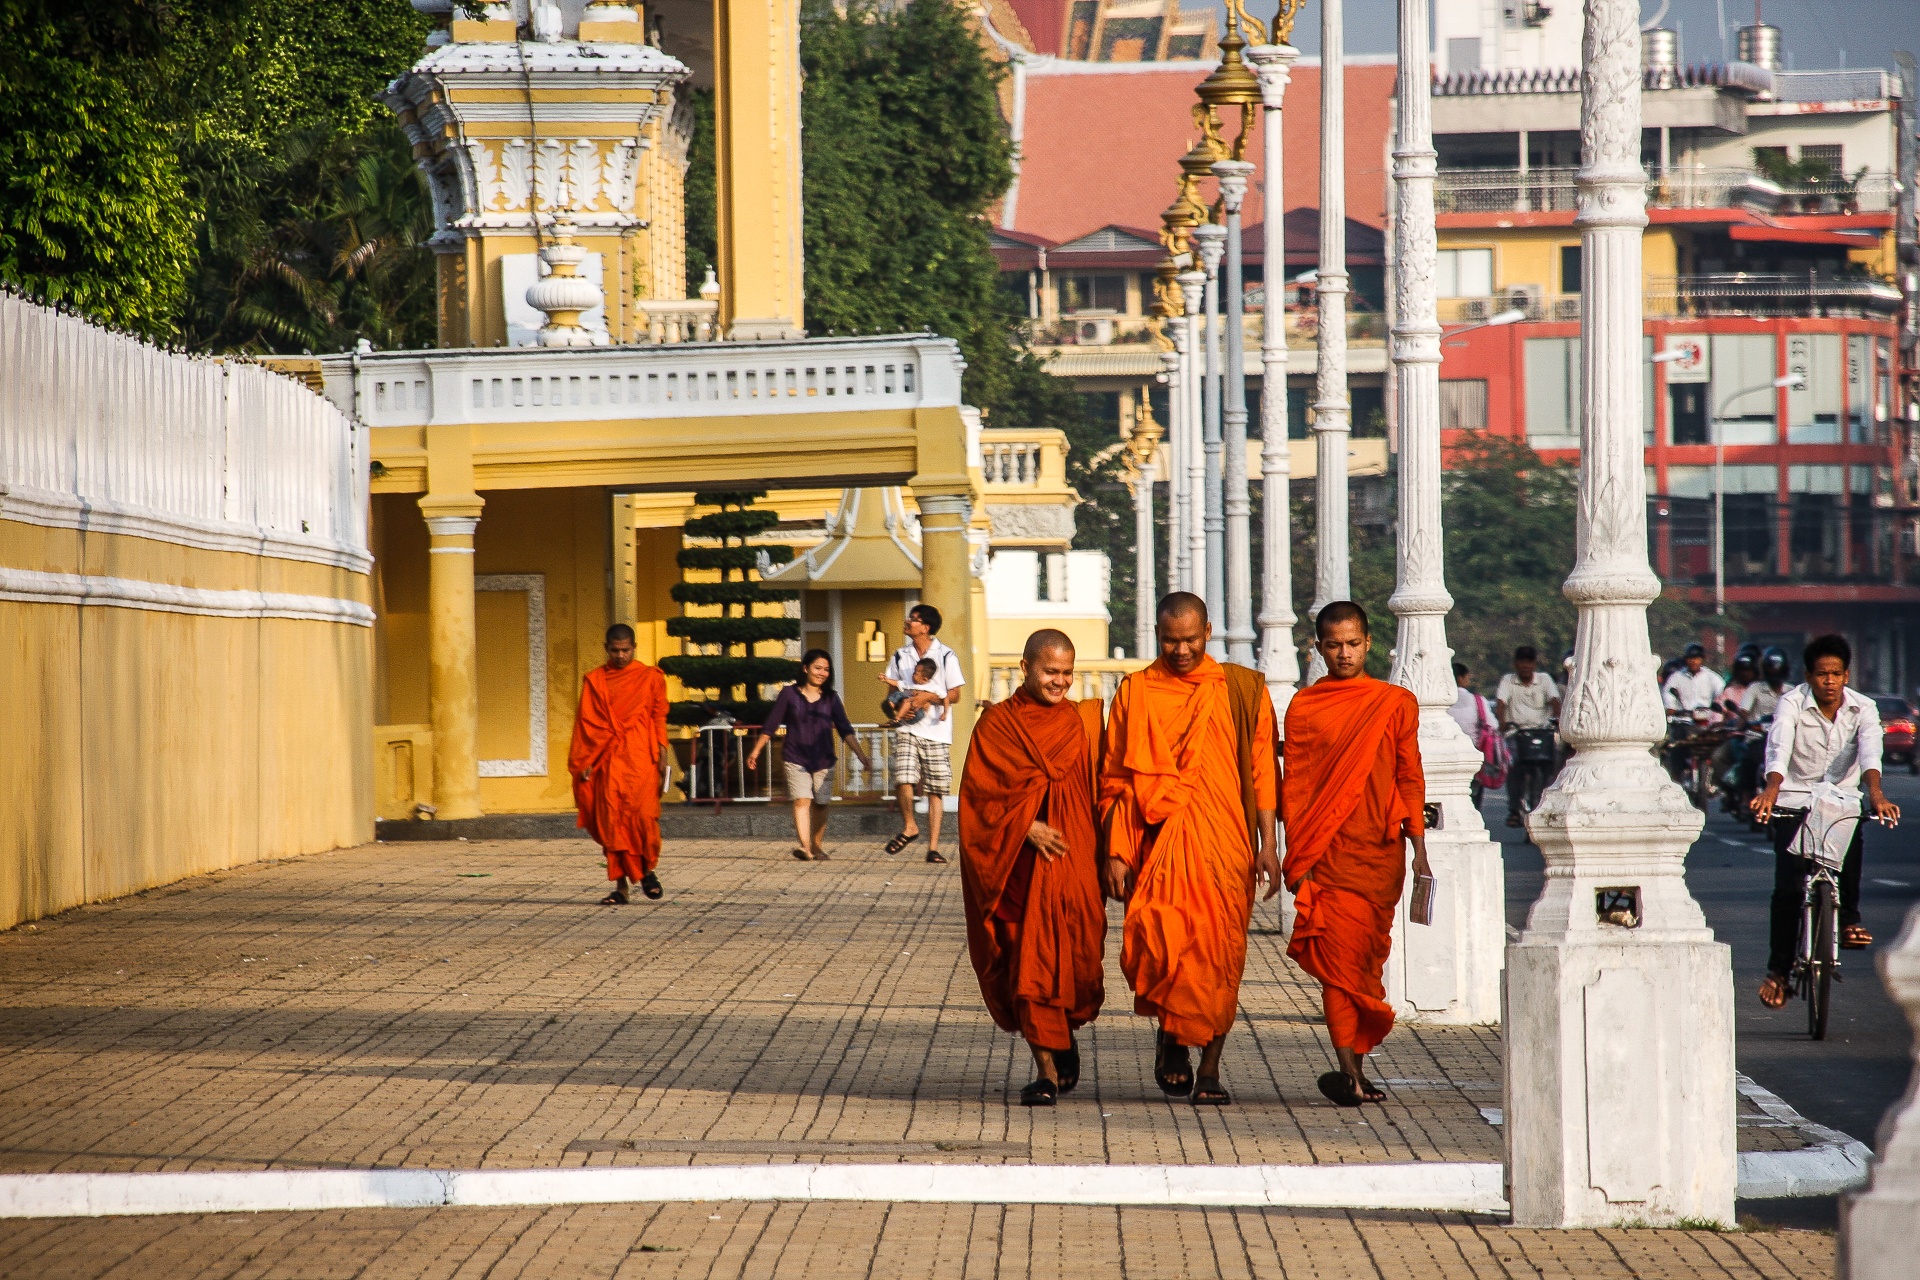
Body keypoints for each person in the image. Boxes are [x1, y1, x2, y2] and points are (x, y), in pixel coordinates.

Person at [1098, 592, 1278, 1106]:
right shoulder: (1137, 691)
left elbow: (1263, 770)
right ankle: (1171, 1037)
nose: (1180, 650)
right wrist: (1116, 851)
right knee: (1161, 943)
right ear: (1157, 633)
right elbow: (1116, 777)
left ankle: (1211, 1068)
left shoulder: (1240, 689)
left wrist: (1269, 844)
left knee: (1219, 955)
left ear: (1209, 632)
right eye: (1170, 640)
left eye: (1191, 640)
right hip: (1160, 847)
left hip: (1227, 846)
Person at [1281, 601, 1429, 1107]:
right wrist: (1298, 858)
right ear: (1318, 648)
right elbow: (1295, 788)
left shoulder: (1394, 703)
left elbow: (1409, 774)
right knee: (1338, 968)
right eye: (1332, 645)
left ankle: (1356, 1071)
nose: (1343, 654)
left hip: (1379, 854)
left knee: (1366, 965)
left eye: (1352, 643)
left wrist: (1420, 851)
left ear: (1368, 643)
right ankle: (1348, 1072)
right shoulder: (1305, 707)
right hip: (1328, 856)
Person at [958, 629, 1107, 1107]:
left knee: (1079, 963)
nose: (1059, 681)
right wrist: (1026, 826)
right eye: (1050, 672)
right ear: (1025, 669)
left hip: (1073, 862)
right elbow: (979, 798)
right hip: (1018, 868)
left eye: (1067, 672)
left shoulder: (1083, 724)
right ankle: (1044, 1070)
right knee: (1029, 962)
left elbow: (1101, 792)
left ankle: (1061, 1032)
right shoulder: (997, 726)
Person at [1751, 634, 1899, 1008]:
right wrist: (1771, 789)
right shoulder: (1791, 704)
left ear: (1846, 675)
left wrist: (1876, 794)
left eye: (1836, 674)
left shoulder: (1864, 708)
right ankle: (1779, 972)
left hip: (1841, 798)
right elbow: (1779, 745)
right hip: (1793, 796)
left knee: (1852, 831)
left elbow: (1870, 749)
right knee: (1787, 889)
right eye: (1821, 675)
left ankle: (1849, 918)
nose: (1829, 681)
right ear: (1808, 676)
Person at [569, 623, 671, 904]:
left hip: (641, 756)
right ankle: (621, 888)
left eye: (626, 650)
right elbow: (588, 724)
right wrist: (586, 760)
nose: (621, 656)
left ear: (634, 648)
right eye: (615, 651)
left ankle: (648, 870)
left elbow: (658, 715)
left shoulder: (650, 677)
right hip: (609, 761)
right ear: (606, 649)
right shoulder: (595, 681)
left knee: (643, 816)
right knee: (613, 821)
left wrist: (662, 754)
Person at [747, 649, 873, 863]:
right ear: (805, 668)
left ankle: (816, 845)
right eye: (817, 668)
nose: (822, 673)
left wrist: (861, 755)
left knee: (821, 803)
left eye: (826, 669)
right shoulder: (789, 694)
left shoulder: (831, 699)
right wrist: (756, 750)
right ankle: (805, 847)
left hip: (824, 758)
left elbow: (845, 729)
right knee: (802, 800)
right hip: (795, 757)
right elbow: (772, 724)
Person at [882, 603, 966, 863]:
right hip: (908, 728)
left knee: (936, 789)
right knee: (903, 777)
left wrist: (930, 697)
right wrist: (896, 709)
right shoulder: (899, 655)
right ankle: (910, 826)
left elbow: (955, 694)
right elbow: (890, 696)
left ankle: (933, 847)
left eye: (914, 619)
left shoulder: (946, 655)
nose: (908, 622)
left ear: (926, 627)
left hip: (936, 731)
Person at [1495, 646, 1561, 828]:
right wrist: (1501, 722)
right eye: (1522, 661)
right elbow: (1501, 703)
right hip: (1517, 733)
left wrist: (1557, 719)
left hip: (1542, 732)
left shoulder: (1545, 680)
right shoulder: (1508, 681)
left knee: (1553, 763)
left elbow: (1555, 701)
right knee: (1513, 766)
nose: (1525, 666)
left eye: (1529, 662)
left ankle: (1549, 803)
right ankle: (1515, 810)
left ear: (1534, 664)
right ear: (1516, 663)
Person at [1447, 661, 1502, 810]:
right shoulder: (1477, 701)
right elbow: (1493, 726)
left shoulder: (1438, 701)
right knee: (1472, 800)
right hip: (1472, 756)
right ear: (1462, 678)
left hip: (1445, 756)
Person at [1662, 643, 1726, 721]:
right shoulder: (1676, 677)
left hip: (1706, 722)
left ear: (1702, 659)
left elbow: (1722, 695)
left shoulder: (1712, 678)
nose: (1693, 661)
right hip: (1684, 722)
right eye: (1690, 658)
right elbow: (1668, 694)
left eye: (1696, 658)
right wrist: (1671, 707)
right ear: (1685, 660)